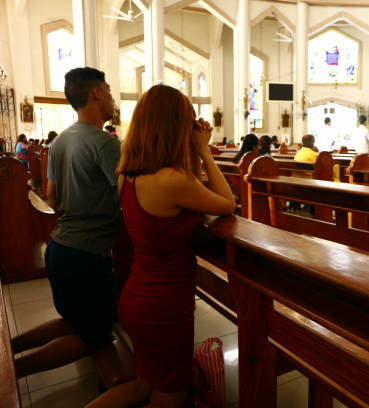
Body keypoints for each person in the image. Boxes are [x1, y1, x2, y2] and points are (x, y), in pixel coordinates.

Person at [87, 84, 235, 408]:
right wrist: (205, 151)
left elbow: (191, 196)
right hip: (164, 309)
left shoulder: (129, 174)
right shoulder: (171, 181)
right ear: (175, 127)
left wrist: (194, 155)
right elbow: (227, 203)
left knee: (144, 384)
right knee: (171, 393)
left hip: (136, 297)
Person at [10, 68, 121, 380]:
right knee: (95, 336)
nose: (111, 96)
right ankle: (12, 371)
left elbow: (50, 196)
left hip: (60, 248)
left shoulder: (60, 142)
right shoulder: (106, 143)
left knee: (75, 320)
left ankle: (9, 347)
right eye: (108, 89)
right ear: (96, 93)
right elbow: (130, 197)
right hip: (86, 255)